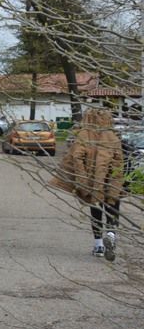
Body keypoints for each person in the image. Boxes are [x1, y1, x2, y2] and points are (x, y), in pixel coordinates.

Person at [51, 107, 124, 260]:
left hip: (92, 181)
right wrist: (116, 179)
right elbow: (119, 161)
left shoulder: (83, 136)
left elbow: (76, 158)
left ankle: (98, 245)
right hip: (111, 181)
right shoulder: (113, 137)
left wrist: (81, 180)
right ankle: (111, 234)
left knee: (95, 210)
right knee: (112, 207)